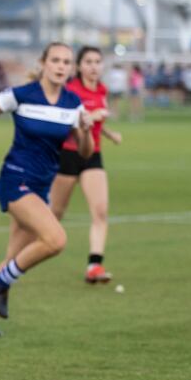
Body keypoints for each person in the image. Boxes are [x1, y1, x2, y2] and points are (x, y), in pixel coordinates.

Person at [0, 42, 93, 336]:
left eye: (66, 62)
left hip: (41, 186)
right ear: (44, 63)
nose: (61, 66)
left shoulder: (73, 104)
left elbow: (86, 152)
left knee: (14, 257)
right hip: (15, 180)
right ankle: (0, 283)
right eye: (56, 60)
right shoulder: (21, 95)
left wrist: (85, 129)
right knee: (55, 239)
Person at [49, 46, 122, 284]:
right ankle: (21, 256)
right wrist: (91, 116)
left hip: (93, 156)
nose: (93, 66)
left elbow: (97, 123)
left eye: (97, 62)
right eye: (88, 62)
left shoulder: (102, 89)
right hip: (69, 155)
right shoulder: (70, 90)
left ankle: (95, 265)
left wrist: (109, 134)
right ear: (79, 66)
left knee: (100, 211)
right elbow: (64, 123)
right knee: (54, 215)